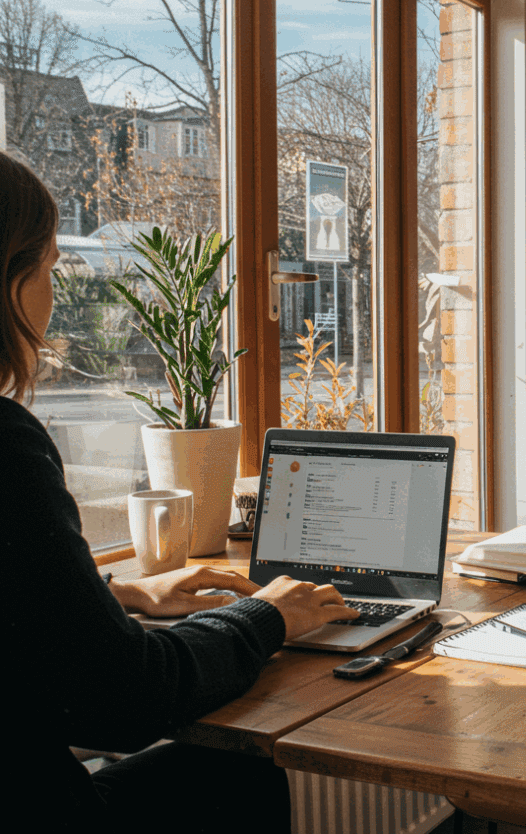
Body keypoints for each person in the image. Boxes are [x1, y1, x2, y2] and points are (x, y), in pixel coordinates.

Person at [0, 153, 358, 832]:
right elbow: (125, 700)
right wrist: (268, 616)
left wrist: (118, 594)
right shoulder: (5, 449)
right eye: (48, 268)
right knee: (237, 774)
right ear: (8, 281)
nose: (51, 295)